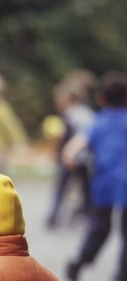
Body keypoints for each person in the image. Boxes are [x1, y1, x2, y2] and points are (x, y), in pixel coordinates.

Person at [64, 71, 127, 281]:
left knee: (100, 226)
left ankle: (79, 261)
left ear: (101, 98)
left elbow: (73, 149)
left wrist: (71, 163)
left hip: (105, 184)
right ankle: (123, 272)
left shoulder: (98, 122)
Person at [45, 77, 95, 228]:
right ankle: (86, 213)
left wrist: (64, 154)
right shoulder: (87, 113)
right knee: (85, 188)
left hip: (71, 157)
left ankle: (54, 216)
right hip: (83, 158)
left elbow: (68, 138)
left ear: (68, 100)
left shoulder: (71, 116)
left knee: (62, 187)